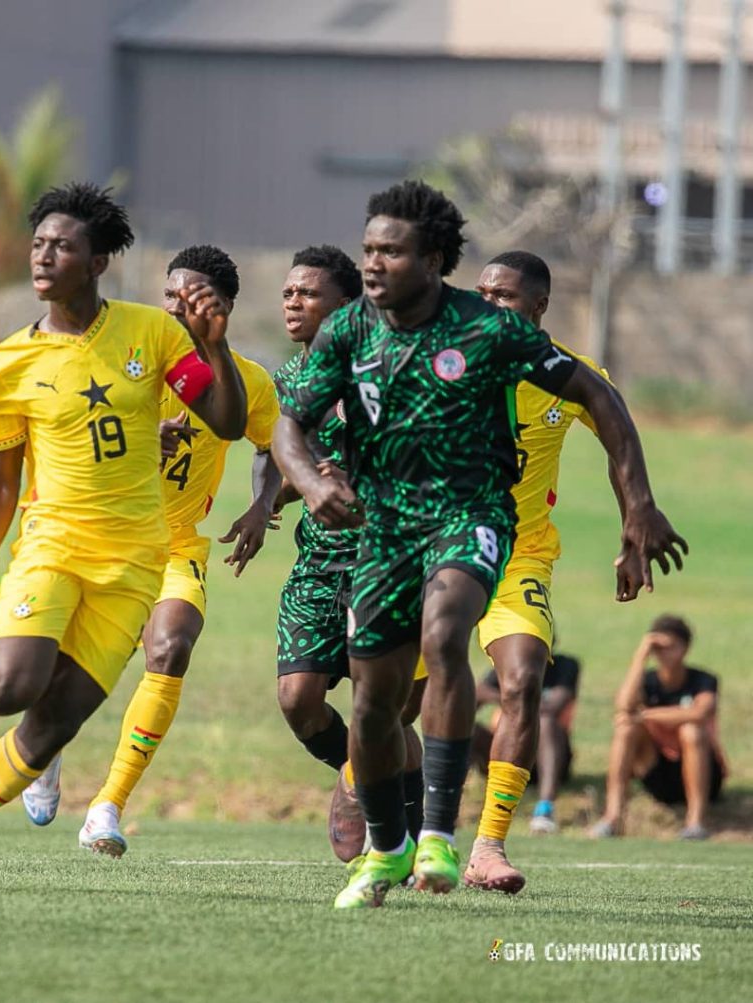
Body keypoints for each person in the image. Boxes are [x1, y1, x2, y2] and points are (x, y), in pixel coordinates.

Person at [273, 179, 687, 909]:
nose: (371, 263)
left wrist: (639, 509)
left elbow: (600, 395)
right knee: (377, 701)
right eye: (368, 249)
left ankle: (453, 835)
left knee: (455, 640)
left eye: (389, 251)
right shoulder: (349, 332)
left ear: (432, 259)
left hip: (477, 522)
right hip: (386, 530)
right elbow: (290, 423)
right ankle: (388, 846)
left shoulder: (493, 335)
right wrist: (308, 483)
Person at [0, 184, 247, 887]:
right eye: (39, 243)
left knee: (53, 726)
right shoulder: (3, 366)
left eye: (64, 246)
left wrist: (218, 351)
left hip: (137, 566)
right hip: (52, 545)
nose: (45, 256)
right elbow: (1, 478)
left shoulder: (154, 334)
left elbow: (226, 421)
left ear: (98, 261)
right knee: (7, 688)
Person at [20, 245, 282, 851]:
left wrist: (262, 505)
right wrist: (136, 441)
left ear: (221, 309)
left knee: (170, 647)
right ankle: (48, 746)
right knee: (54, 663)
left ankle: (107, 808)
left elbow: (271, 442)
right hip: (100, 533)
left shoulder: (247, 382)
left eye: (188, 300)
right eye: (168, 295)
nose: (172, 308)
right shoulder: (125, 359)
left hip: (176, 547)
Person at [457, 251, 611, 893]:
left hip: (518, 557)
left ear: (539, 307)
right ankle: (399, 826)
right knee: (400, 698)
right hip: (436, 548)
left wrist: (638, 521)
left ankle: (488, 847)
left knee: (521, 681)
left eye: (506, 297)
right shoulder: (451, 360)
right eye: (483, 293)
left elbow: (621, 430)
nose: (490, 305)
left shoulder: (569, 375)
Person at [273, 245, 425, 861]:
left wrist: (362, 477)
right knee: (297, 700)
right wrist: (294, 490)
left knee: (384, 710)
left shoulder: (388, 372)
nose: (292, 302)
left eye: (306, 293)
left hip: (384, 560)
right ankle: (360, 771)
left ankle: (397, 828)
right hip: (316, 563)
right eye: (287, 292)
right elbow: (277, 466)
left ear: (345, 305)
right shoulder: (287, 380)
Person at [590, 615, 726, 841]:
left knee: (691, 730)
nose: (664, 653)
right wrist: (640, 656)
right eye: (658, 648)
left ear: (685, 648)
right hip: (658, 775)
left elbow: (700, 713)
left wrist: (645, 715)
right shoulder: (648, 680)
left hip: (706, 776)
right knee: (626, 729)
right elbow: (623, 707)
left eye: (670, 647)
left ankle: (696, 822)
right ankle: (612, 818)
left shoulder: (702, 680)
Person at [472, 649, 580, 835]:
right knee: (469, 729)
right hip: (506, 755)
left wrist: (513, 698)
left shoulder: (564, 665)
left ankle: (545, 809)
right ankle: (450, 804)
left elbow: (555, 706)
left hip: (547, 758)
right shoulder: (507, 664)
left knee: (545, 722)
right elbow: (476, 697)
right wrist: (507, 696)